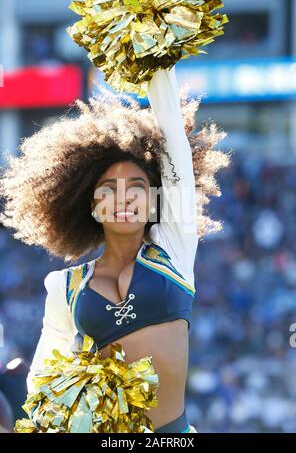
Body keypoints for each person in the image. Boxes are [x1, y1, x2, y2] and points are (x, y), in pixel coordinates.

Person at [0, 66, 230, 433]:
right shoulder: (65, 287)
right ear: (91, 205)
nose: (123, 197)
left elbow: (174, 141)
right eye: (108, 188)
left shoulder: (173, 249)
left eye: (136, 186)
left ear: (156, 201)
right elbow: (42, 380)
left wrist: (156, 57)